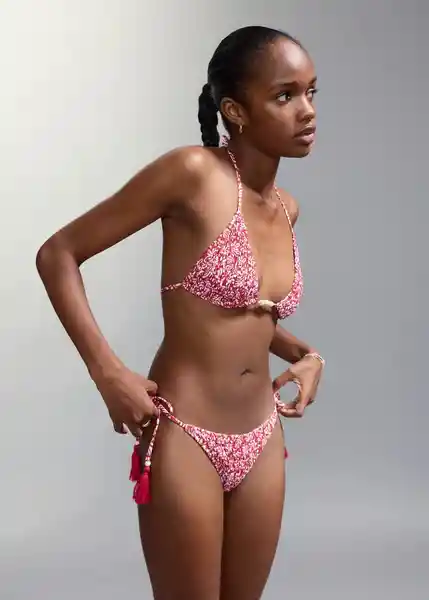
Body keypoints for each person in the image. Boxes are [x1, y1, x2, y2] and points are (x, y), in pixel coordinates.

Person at [36, 24, 325, 600]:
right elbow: (58, 254)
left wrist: (307, 354)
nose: (308, 111)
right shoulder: (191, 174)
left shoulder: (285, 208)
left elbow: (247, 313)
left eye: (312, 92)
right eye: (285, 95)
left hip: (262, 435)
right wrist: (109, 373)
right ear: (235, 111)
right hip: (187, 432)